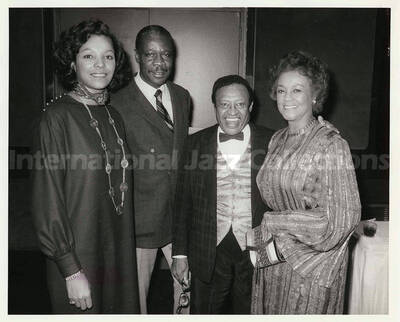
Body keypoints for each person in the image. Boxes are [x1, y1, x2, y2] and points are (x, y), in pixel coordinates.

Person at [32, 19, 139, 313]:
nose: (100, 64)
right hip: (80, 256)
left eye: (108, 56)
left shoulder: (114, 115)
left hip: (118, 253)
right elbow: (47, 200)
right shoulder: (56, 118)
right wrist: (70, 269)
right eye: (88, 55)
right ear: (71, 62)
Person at [248, 50, 361, 314]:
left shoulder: (331, 144)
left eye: (297, 90)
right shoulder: (277, 139)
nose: (287, 98)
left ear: (315, 96)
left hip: (313, 267)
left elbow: (342, 218)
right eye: (282, 90)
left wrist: (277, 223)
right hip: (275, 260)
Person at [172, 75, 274, 313]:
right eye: (224, 104)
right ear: (215, 107)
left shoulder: (272, 142)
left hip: (256, 248)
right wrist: (179, 254)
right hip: (207, 248)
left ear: (250, 107)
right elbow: (182, 202)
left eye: (239, 104)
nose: (232, 112)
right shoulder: (194, 144)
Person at [111, 25, 191, 314]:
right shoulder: (116, 102)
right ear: (137, 56)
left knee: (187, 292)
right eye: (151, 54)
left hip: (180, 219)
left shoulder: (182, 96)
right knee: (136, 301)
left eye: (166, 54)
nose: (160, 63)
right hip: (139, 221)